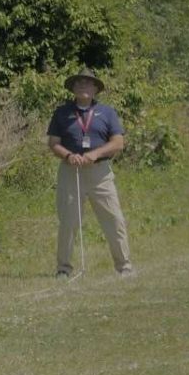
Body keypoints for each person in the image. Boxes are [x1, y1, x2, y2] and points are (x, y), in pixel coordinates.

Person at [46, 68, 133, 279]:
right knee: (68, 222)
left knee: (114, 219)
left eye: (88, 83)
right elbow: (53, 143)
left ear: (95, 89)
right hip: (70, 171)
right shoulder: (62, 112)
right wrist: (68, 155)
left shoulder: (108, 112)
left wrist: (94, 154)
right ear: (73, 88)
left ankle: (124, 267)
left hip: (100, 173)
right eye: (79, 83)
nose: (83, 86)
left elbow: (118, 143)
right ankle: (63, 270)